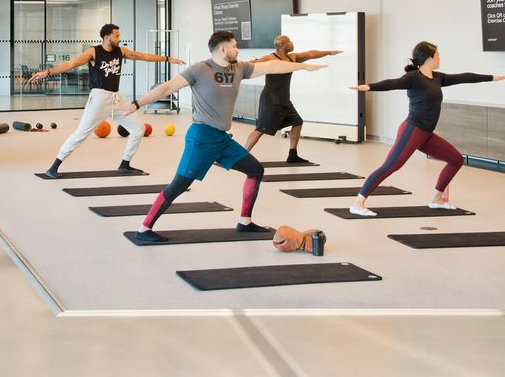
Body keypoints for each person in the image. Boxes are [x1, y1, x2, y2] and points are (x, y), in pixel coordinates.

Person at [122, 30, 327, 242]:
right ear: (223, 49)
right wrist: (137, 104)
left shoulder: (239, 68)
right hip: (201, 138)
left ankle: (244, 222)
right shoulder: (200, 69)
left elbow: (273, 66)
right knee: (179, 185)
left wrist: (302, 66)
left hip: (222, 139)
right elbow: (167, 87)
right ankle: (144, 228)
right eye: (235, 46)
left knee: (255, 170)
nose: (238, 49)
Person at [348, 41, 505, 215]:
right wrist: (370, 87)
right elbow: (393, 83)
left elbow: (464, 77)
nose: (440, 58)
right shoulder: (414, 78)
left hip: (426, 134)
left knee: (456, 160)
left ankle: (436, 199)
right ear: (429, 58)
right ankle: (358, 204)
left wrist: (490, 78)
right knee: (391, 166)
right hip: (412, 130)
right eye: (438, 55)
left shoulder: (438, 78)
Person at [30, 24, 186, 178]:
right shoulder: (93, 52)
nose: (119, 38)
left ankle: (125, 165)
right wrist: (48, 72)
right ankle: (53, 168)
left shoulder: (121, 51)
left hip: (115, 97)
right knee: (80, 134)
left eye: (119, 35)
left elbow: (142, 56)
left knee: (138, 129)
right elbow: (71, 64)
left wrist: (168, 59)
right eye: (116, 36)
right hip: (99, 97)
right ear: (106, 37)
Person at [243, 35, 341, 163]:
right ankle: (240, 157)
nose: (292, 43)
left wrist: (328, 52)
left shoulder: (292, 57)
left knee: (298, 122)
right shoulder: (270, 58)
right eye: (289, 41)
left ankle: (292, 155)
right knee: (260, 129)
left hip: (284, 100)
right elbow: (253, 65)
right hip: (271, 100)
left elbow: (310, 54)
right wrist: (235, 65)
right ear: (282, 45)